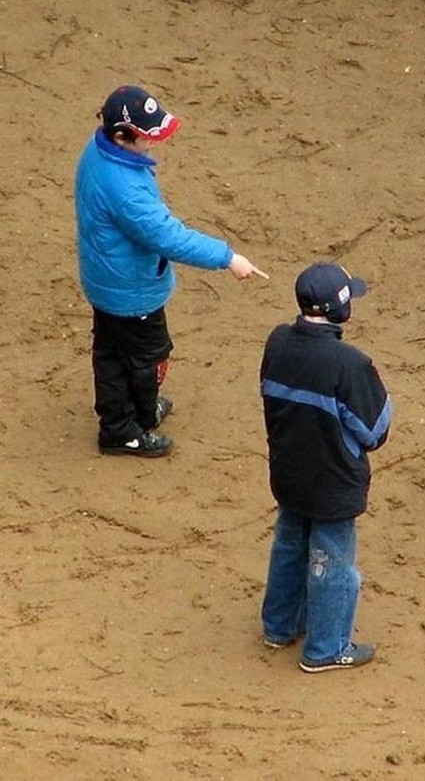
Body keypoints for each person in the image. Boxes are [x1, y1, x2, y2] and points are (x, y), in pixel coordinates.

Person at [74, 84, 268, 457]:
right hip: (132, 292)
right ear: (121, 136)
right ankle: (132, 425)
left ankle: (122, 419)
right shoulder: (126, 189)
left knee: (110, 353)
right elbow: (168, 236)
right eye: (146, 137)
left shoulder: (98, 152)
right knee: (149, 357)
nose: (153, 143)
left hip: (106, 281)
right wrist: (227, 257)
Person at [260, 262, 392, 672]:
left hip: (288, 472)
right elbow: (375, 430)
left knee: (289, 544)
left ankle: (278, 626)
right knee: (331, 561)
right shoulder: (349, 364)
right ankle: (326, 648)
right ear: (340, 309)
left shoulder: (277, 341)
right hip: (333, 483)